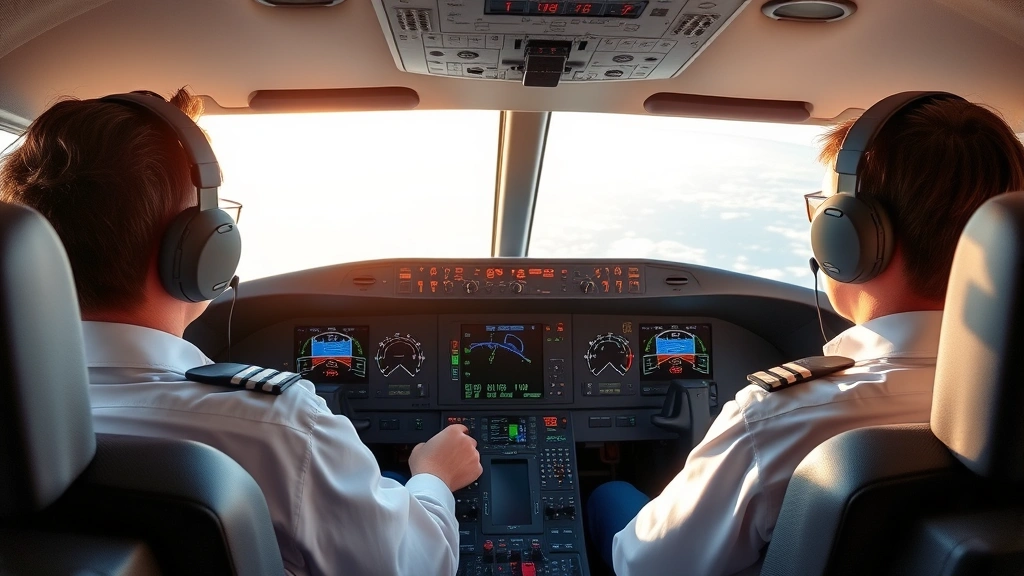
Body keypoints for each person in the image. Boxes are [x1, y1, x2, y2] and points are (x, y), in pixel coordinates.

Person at [0, 88, 482, 576]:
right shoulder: (283, 430)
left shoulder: (13, 426)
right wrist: (433, 477)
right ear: (197, 251)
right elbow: (418, 565)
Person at [586, 92, 1024, 575]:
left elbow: (644, 566)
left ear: (851, 239)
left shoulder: (783, 420)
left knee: (610, 498)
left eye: (825, 210)